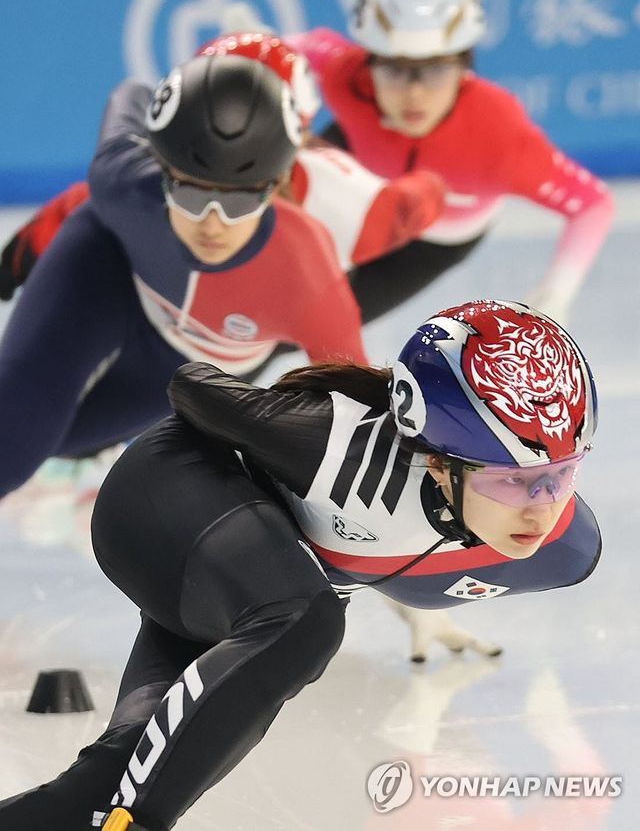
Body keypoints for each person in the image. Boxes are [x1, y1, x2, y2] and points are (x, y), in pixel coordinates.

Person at [0, 299, 601, 829]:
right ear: (438, 463)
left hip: (241, 580)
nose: (540, 509)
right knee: (306, 621)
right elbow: (191, 385)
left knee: (114, 775)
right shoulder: (342, 452)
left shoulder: (566, 550)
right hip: (164, 498)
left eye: (560, 475)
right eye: (511, 482)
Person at [0, 52, 373, 502]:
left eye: (238, 203)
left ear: (275, 187)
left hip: (177, 355)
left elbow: (363, 412)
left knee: (61, 442)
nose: (212, 223)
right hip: (102, 270)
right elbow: (132, 93)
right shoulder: (124, 182)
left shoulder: (309, 277)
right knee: (14, 449)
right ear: (162, 171)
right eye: (191, 193)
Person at [0, 32, 445, 324]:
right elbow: (98, 199)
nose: (222, 169)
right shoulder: (144, 179)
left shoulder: (355, 205)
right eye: (197, 171)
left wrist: (434, 182)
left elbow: (413, 204)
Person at [289, 0, 615, 323]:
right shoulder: (347, 76)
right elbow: (302, 46)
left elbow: (592, 204)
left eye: (435, 70)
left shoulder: (501, 137)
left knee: (318, 319)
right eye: (395, 69)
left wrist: (558, 292)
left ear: (464, 65)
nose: (414, 95)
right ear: (369, 63)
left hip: (433, 241)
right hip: (362, 178)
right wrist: (251, 50)